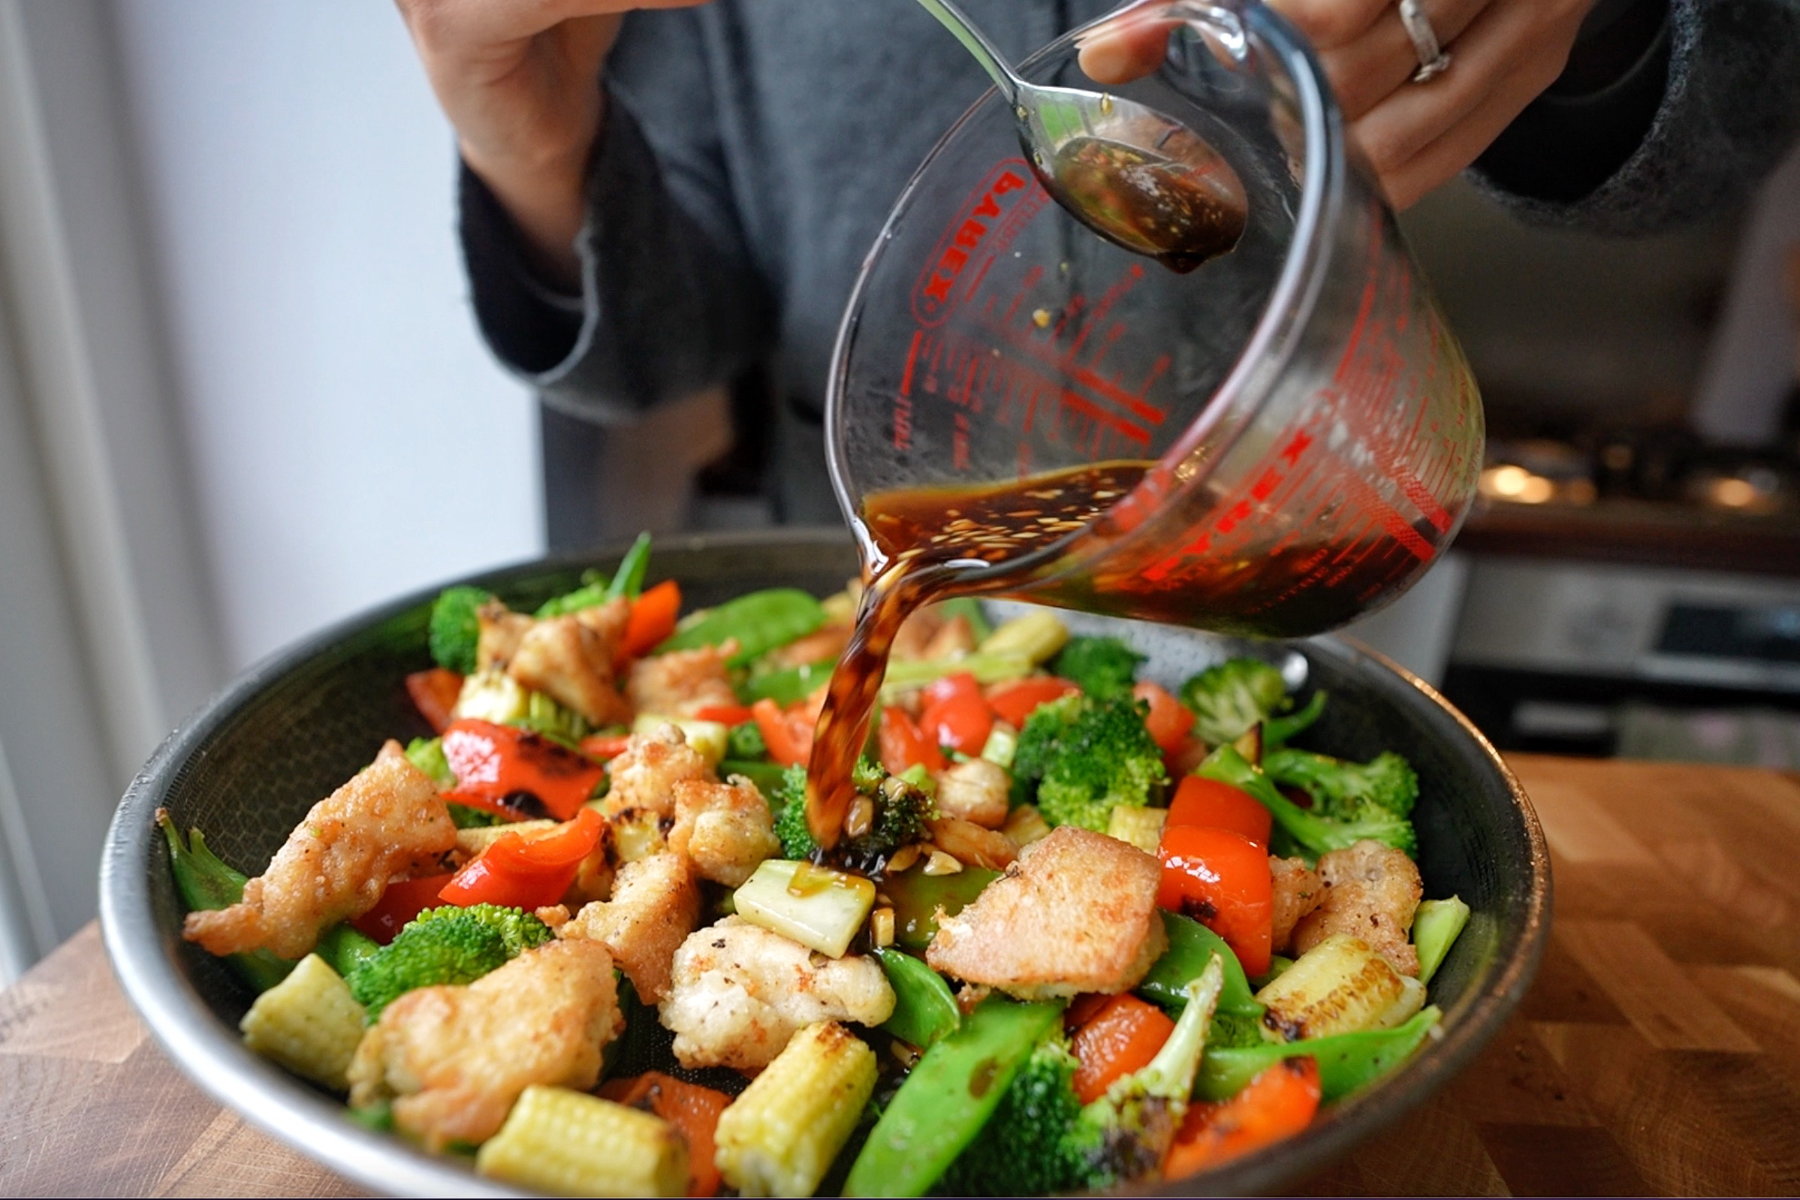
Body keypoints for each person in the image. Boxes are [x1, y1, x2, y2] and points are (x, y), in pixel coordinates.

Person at [398, 0, 1800, 527]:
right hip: (854, 569)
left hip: (1293, 546)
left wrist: (1600, 22)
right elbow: (660, 338)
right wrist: (534, 139)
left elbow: (1737, 118)